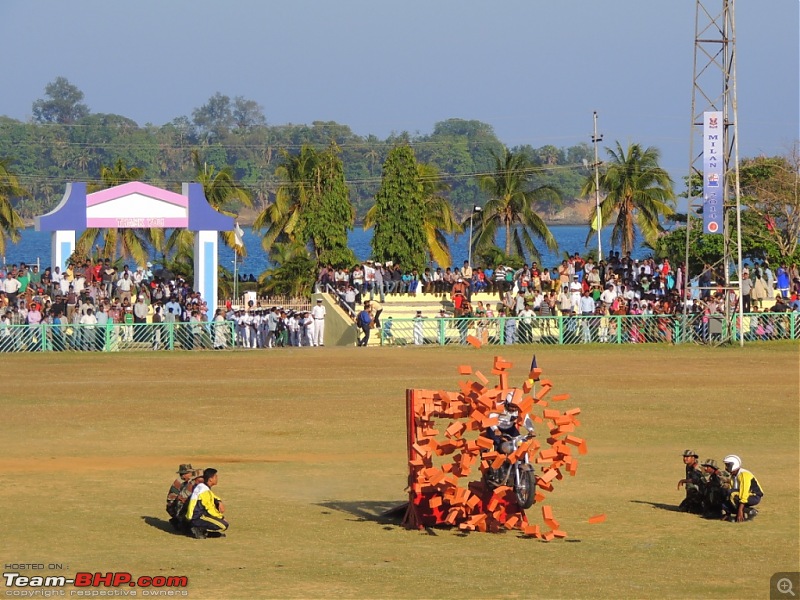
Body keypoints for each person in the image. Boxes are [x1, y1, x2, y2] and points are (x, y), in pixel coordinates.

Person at [186, 467, 228, 539]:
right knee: (224, 525)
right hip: (197, 517)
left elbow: (213, 496)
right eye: (215, 476)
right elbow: (209, 508)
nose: (217, 478)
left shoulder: (202, 487)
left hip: (194, 516)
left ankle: (201, 530)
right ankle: (198, 529)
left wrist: (219, 501)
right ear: (210, 479)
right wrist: (221, 517)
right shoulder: (204, 491)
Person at [722, 454, 764, 522]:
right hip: (742, 495)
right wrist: (727, 513)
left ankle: (747, 513)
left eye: (727, 465)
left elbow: (744, 493)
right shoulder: (733, 475)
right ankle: (745, 512)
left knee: (732, 494)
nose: (726, 468)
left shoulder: (744, 474)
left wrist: (740, 511)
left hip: (754, 496)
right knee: (725, 492)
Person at [166, 464, 195, 529]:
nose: (192, 474)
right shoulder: (179, 482)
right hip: (175, 506)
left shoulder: (192, 482)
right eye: (189, 473)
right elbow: (171, 500)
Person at [677, 449, 704, 513]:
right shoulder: (688, 466)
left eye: (687, 457)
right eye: (684, 457)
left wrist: (682, 481)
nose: (685, 458)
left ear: (693, 458)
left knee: (689, 485)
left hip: (703, 491)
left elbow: (696, 480)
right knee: (683, 508)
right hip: (696, 491)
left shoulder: (697, 467)